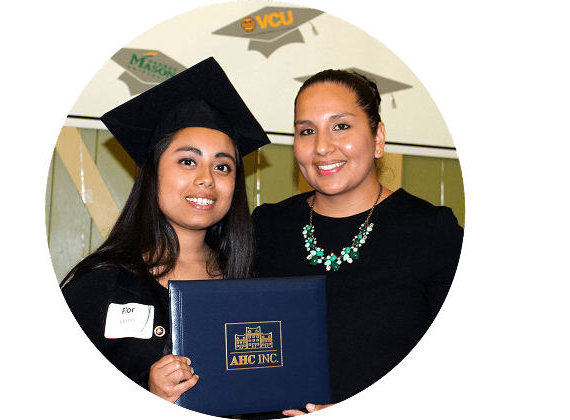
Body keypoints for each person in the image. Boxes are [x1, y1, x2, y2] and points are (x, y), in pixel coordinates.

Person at [251, 69, 464, 416]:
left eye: (341, 126)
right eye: (307, 131)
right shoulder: (266, 226)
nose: (321, 147)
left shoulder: (431, 231)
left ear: (378, 137)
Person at [61, 57, 270, 404]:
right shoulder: (101, 285)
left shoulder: (250, 284)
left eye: (223, 166)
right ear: (154, 173)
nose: (206, 178)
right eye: (188, 161)